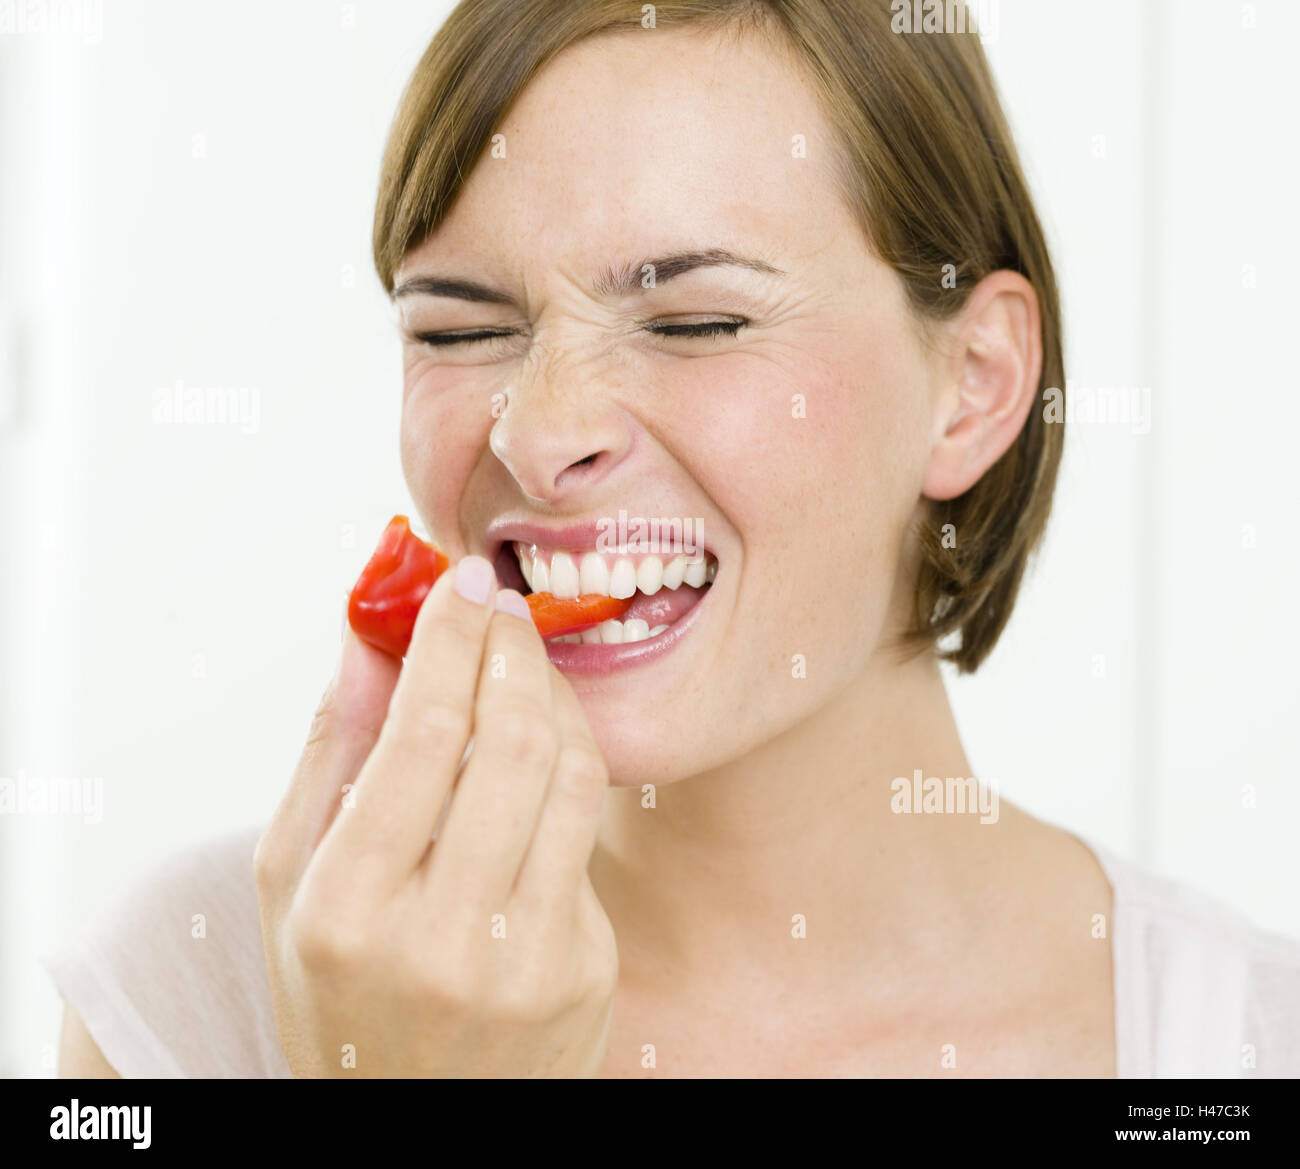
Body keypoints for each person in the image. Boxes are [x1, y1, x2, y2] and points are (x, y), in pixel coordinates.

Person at [46, 0, 1300, 1078]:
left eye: (695, 322)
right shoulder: (186, 997)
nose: (538, 435)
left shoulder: (1237, 1046)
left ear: (971, 381)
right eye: (457, 330)